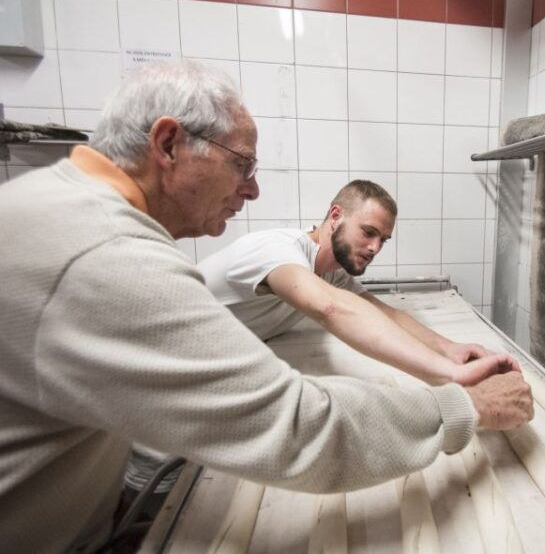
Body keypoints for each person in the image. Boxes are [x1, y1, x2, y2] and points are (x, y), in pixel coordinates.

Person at [0, 60, 533, 553]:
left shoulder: (62, 208)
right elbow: (300, 418)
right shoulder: (112, 257)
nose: (252, 190)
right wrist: (463, 400)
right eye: (242, 164)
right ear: (168, 143)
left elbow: (374, 308)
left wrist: (450, 350)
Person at [125, 180, 522, 500]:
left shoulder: (332, 272)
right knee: (163, 520)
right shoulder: (274, 250)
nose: (375, 248)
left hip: (207, 410)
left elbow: (383, 312)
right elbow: (330, 308)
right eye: (368, 232)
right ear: (336, 216)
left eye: (383, 239)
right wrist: (452, 377)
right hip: (161, 421)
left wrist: (451, 349)